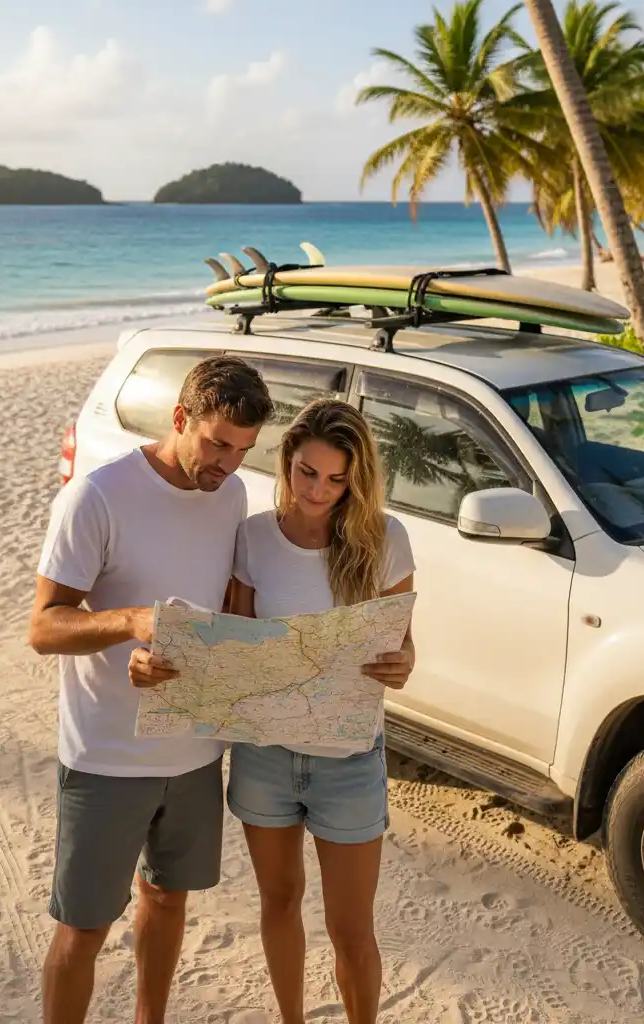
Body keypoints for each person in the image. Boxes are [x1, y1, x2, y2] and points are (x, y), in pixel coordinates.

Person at [28, 354, 273, 1024]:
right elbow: (44, 627)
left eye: (243, 450)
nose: (226, 463)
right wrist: (132, 623)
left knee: (167, 900)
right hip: (107, 757)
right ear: (180, 418)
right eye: (218, 443)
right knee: (83, 927)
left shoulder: (231, 494)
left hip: (194, 754)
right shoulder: (98, 496)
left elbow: (218, 614)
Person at [226, 397, 416, 1024]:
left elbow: (401, 642)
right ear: (286, 461)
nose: (319, 491)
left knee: (351, 929)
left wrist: (402, 663)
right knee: (279, 904)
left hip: (350, 759)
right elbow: (236, 640)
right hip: (265, 756)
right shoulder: (252, 536)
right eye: (308, 472)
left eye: (338, 480)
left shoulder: (386, 538)